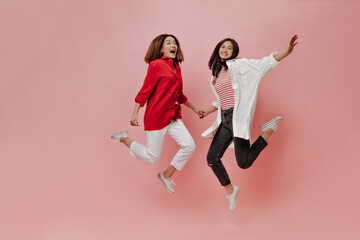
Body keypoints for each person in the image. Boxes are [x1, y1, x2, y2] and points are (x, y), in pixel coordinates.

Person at [200, 35, 298, 211]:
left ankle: (267, 131)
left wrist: (286, 51)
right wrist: (207, 111)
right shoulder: (217, 72)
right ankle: (231, 191)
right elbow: (223, 99)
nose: (225, 50)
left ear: (234, 52)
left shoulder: (240, 66)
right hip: (224, 119)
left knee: (244, 163)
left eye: (229, 48)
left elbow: (264, 64)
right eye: (223, 47)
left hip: (236, 118)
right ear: (218, 49)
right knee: (211, 158)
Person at [111, 34, 202, 194]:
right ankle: (124, 138)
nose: (173, 45)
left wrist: (195, 109)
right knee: (152, 157)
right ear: (161, 48)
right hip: (157, 117)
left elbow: (179, 95)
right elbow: (145, 91)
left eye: (175, 43)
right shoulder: (156, 65)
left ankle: (166, 175)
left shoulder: (177, 67)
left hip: (173, 116)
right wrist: (135, 113)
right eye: (168, 43)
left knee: (189, 145)